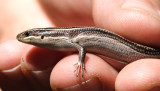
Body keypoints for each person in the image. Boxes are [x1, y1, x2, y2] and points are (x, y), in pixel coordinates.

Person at [0, 0, 160, 91]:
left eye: (28, 34)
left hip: (137, 49)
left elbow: (81, 47)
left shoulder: (71, 38)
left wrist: (80, 62)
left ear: (41, 35)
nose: (24, 38)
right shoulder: (64, 41)